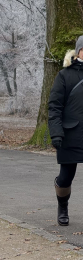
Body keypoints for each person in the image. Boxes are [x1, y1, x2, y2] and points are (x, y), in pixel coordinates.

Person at [48, 37, 83, 226]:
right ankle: (63, 206)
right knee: (65, 177)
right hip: (71, 133)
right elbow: (54, 107)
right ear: (78, 52)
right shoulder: (64, 75)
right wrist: (56, 133)